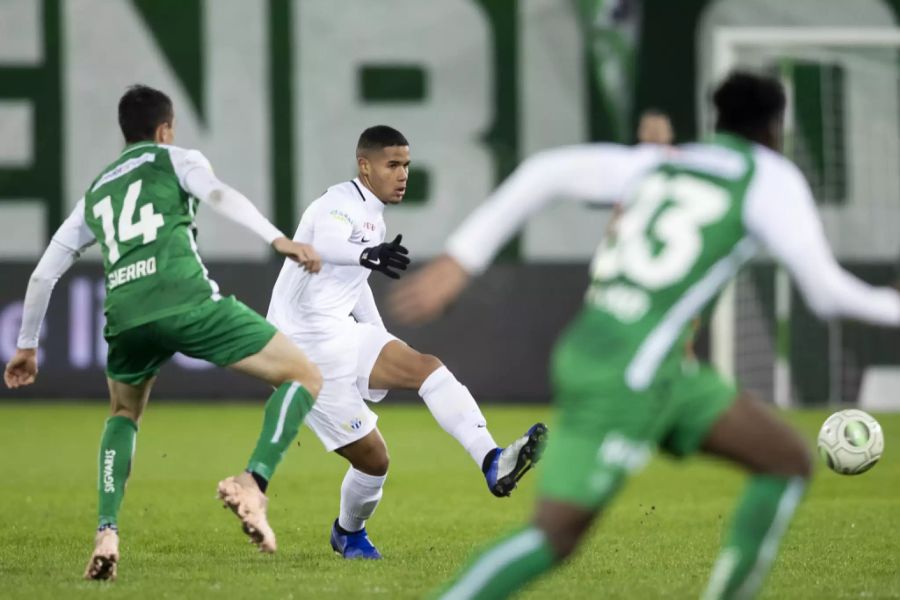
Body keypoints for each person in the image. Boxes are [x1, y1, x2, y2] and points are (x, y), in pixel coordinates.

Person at [391, 72, 900, 599]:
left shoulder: (665, 160)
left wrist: (462, 257)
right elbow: (827, 294)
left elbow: (545, 172)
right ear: (775, 128)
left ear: (717, 120)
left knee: (786, 461)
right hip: (627, 375)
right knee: (553, 537)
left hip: (652, 368)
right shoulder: (769, 177)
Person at [3, 85, 324, 581]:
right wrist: (277, 238)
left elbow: (45, 272)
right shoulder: (175, 158)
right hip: (186, 301)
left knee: (124, 413)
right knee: (303, 376)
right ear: (165, 129)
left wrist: (27, 345)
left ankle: (107, 530)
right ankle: (253, 483)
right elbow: (219, 194)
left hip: (125, 315)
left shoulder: (97, 190)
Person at [266, 125, 547, 560]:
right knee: (375, 462)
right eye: (392, 164)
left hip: (338, 334)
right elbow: (327, 245)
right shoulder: (336, 205)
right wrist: (366, 254)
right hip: (297, 351)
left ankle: (492, 461)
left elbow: (352, 285)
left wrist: (380, 336)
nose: (402, 174)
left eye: (406, 165)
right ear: (365, 166)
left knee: (426, 367)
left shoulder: (373, 215)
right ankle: (348, 532)